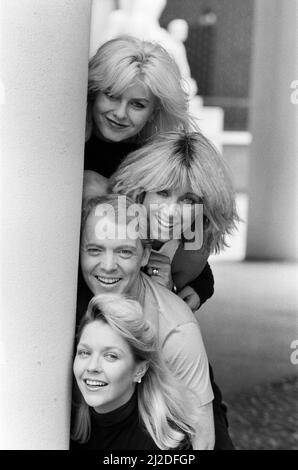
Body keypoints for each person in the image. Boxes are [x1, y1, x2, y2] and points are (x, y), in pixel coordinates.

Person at [84, 35, 214, 308]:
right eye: (112, 95)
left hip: (129, 286)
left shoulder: (155, 157)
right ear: (94, 91)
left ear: (155, 111)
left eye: (137, 105)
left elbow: (190, 223)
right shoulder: (68, 147)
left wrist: (200, 283)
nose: (120, 113)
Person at [77, 194, 215, 450]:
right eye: (95, 250)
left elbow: (203, 439)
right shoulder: (60, 305)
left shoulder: (175, 328)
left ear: (144, 256)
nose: (107, 266)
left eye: (125, 252)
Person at [110, 130, 238, 297]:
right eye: (162, 193)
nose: (170, 212)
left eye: (188, 201)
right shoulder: (108, 219)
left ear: (203, 209)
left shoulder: (193, 253)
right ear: (142, 191)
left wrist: (169, 290)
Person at [71, 293, 197, 450]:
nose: (92, 367)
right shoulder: (67, 421)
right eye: (84, 352)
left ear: (140, 370)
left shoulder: (165, 447)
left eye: (110, 356)